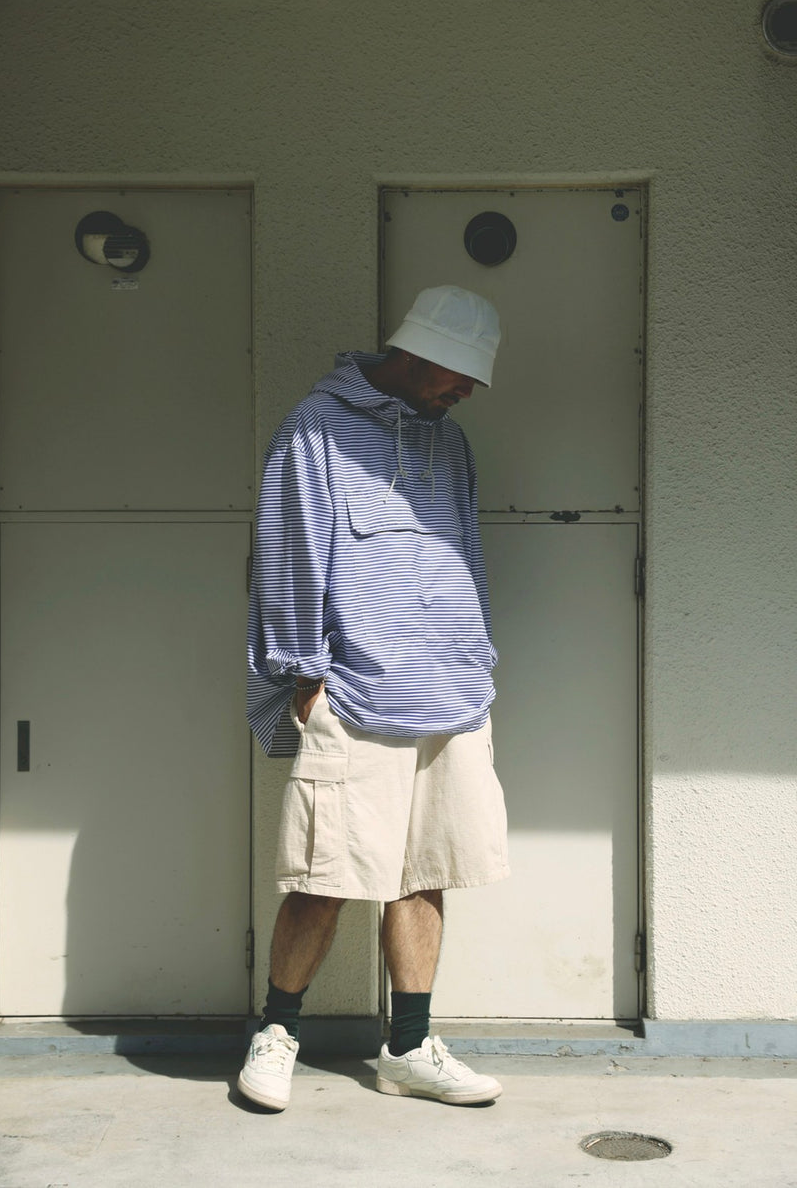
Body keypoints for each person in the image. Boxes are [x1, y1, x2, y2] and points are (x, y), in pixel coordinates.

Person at [238, 285, 509, 1111]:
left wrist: (479, 656)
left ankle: (411, 1047)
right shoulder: (315, 430)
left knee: (426, 871)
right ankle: (277, 1033)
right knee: (325, 873)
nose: (466, 392)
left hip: (451, 689)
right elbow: (285, 551)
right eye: (459, 375)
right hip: (353, 688)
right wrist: (301, 673)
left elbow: (465, 551)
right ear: (418, 353)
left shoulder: (450, 441)